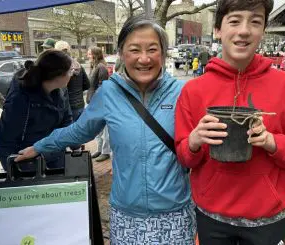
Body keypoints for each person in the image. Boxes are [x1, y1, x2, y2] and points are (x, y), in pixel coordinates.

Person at [15, 14, 195, 244]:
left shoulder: (182, 92)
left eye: (152, 49)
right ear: (121, 53)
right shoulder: (109, 93)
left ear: (163, 52)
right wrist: (41, 146)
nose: (144, 58)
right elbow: (79, 131)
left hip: (175, 213)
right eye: (134, 50)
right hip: (127, 214)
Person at [175, 0, 285, 244]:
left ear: (263, 30)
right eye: (234, 21)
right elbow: (183, 156)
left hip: (268, 220)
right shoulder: (193, 91)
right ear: (218, 29)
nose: (244, 30)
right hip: (211, 218)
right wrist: (194, 141)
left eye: (255, 22)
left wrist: (272, 142)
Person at [0, 50, 75, 170]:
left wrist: (73, 142)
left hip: (54, 153)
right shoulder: (20, 98)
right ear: (58, 75)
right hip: (26, 158)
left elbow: (67, 120)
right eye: (70, 71)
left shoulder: (61, 90)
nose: (72, 74)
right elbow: (5, 140)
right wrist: (15, 170)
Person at [86, 47, 111, 162]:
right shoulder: (94, 66)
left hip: (100, 101)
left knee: (104, 128)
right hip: (93, 100)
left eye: (89, 53)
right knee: (97, 128)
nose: (88, 55)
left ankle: (105, 151)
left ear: (95, 55)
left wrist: (96, 99)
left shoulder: (101, 67)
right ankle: (100, 149)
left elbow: (102, 85)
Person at [55, 40, 90, 121]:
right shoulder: (78, 65)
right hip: (80, 105)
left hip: (68, 108)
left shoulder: (60, 67)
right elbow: (87, 84)